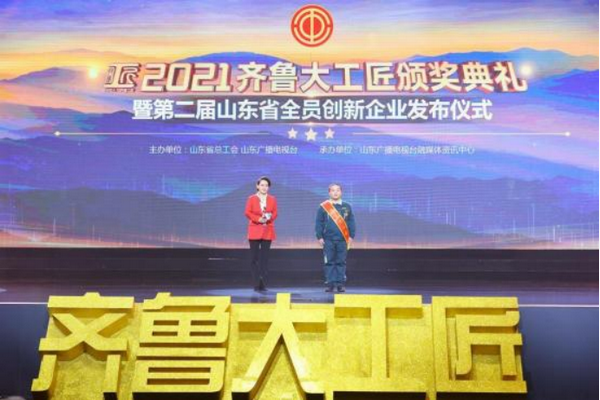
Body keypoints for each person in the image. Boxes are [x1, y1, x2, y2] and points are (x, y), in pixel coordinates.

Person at [315, 183, 356, 293]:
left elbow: (351, 222)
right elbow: (319, 222)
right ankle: (330, 284)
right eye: (333, 190)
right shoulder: (323, 207)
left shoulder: (347, 206)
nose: (335, 192)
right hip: (328, 240)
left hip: (342, 239)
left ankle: (340, 284)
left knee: (341, 262)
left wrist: (351, 236)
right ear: (329, 192)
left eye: (338, 190)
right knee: (329, 262)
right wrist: (319, 236)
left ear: (341, 192)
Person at [244, 176, 278, 292]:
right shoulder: (251, 198)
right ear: (257, 186)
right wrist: (258, 219)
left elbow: (275, 213)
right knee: (254, 258)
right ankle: (256, 283)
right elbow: (247, 212)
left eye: (266, 185)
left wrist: (269, 218)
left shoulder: (272, 199)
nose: (264, 187)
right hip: (254, 230)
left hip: (267, 230)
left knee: (264, 258)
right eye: (262, 185)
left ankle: (262, 282)